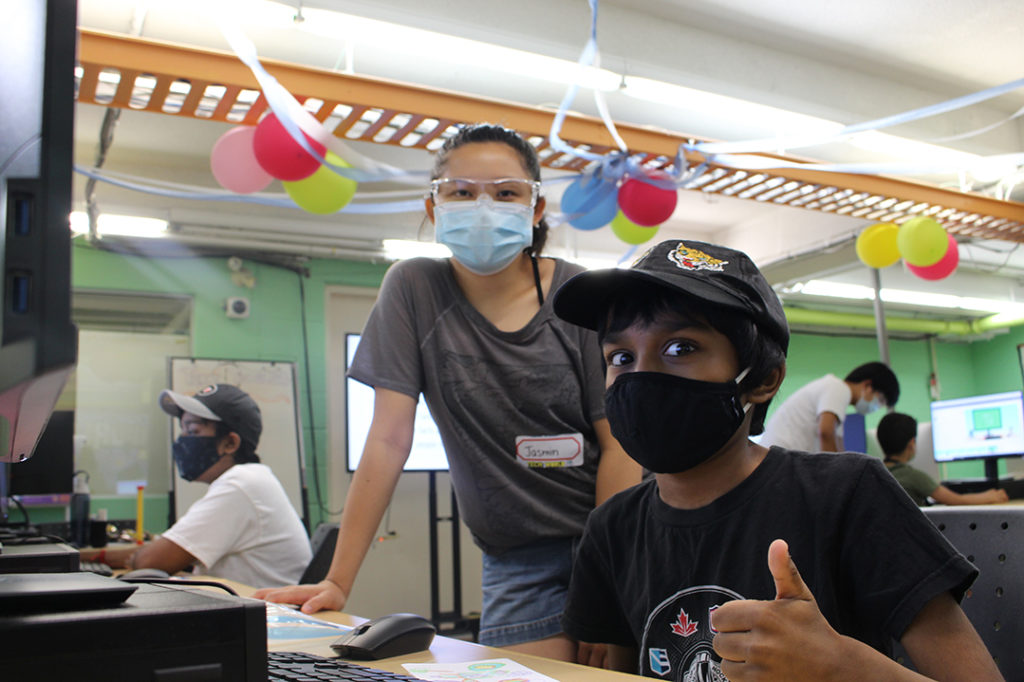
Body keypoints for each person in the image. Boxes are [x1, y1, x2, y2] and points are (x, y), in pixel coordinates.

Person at [254, 124, 640, 660]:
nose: (484, 206)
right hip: (516, 559)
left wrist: (607, 588)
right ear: (434, 207)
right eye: (462, 191)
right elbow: (388, 438)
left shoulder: (580, 298)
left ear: (535, 209)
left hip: (614, 542)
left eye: (506, 192)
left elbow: (620, 445)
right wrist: (338, 581)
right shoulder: (414, 289)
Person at [551, 239, 1002, 681]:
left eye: (680, 348)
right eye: (621, 357)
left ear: (762, 380)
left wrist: (841, 667)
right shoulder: (612, 529)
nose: (641, 377)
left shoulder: (849, 494)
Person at [84, 384, 312, 587]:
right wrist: (87, 558)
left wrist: (90, 560)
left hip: (263, 624)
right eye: (183, 430)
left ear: (230, 443)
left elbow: (149, 562)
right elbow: (165, 551)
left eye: (193, 431)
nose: (183, 441)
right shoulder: (249, 480)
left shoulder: (240, 486)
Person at [759, 360, 900, 452]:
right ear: (868, 386)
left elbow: (838, 448)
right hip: (780, 459)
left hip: (779, 457)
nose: (877, 407)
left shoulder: (837, 399)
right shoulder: (838, 388)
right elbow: (826, 433)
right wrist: (836, 477)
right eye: (880, 400)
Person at [878, 412, 1008, 506]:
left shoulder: (877, 472)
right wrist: (991, 496)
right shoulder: (912, 476)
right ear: (912, 443)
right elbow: (956, 501)